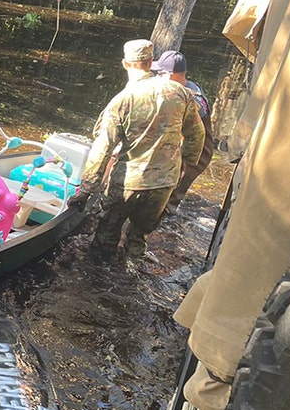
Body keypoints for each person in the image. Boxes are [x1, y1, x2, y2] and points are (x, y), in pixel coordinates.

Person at [68, 39, 204, 261]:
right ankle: (131, 273)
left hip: (127, 183)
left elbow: (103, 147)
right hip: (163, 184)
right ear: (151, 62)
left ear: (125, 64)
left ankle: (96, 280)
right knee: (139, 237)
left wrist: (86, 189)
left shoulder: (122, 100)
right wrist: (185, 164)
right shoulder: (180, 93)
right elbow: (196, 135)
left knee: (104, 241)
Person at [152, 50, 213, 215]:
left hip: (195, 154)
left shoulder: (192, 97)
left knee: (167, 199)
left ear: (169, 75)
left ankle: (165, 218)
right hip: (185, 149)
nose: (156, 77)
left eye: (159, 73)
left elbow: (194, 136)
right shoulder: (185, 87)